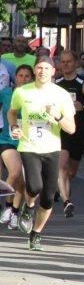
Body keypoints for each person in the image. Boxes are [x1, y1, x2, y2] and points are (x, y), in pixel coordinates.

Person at [6, 57, 76, 251]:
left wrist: (57, 116)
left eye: (46, 68)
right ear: (34, 70)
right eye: (39, 68)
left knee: (47, 197)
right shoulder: (22, 92)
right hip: (28, 146)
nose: (42, 71)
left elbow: (71, 129)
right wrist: (14, 127)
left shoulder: (61, 95)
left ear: (53, 71)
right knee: (34, 186)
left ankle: (36, 233)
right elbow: (12, 112)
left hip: (51, 148)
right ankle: (28, 207)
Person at [54, 51, 84, 218]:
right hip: (60, 131)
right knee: (61, 166)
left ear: (76, 63)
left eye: (69, 61)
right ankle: (67, 202)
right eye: (63, 62)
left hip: (78, 131)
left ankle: (61, 188)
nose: (66, 64)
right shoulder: (55, 84)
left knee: (71, 172)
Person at [0, 64, 30, 230]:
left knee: (23, 181)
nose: (23, 79)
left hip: (28, 142)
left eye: (27, 76)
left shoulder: (35, 96)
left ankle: (15, 212)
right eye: (20, 75)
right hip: (7, 139)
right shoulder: (5, 93)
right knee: (15, 172)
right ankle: (8, 207)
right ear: (15, 77)